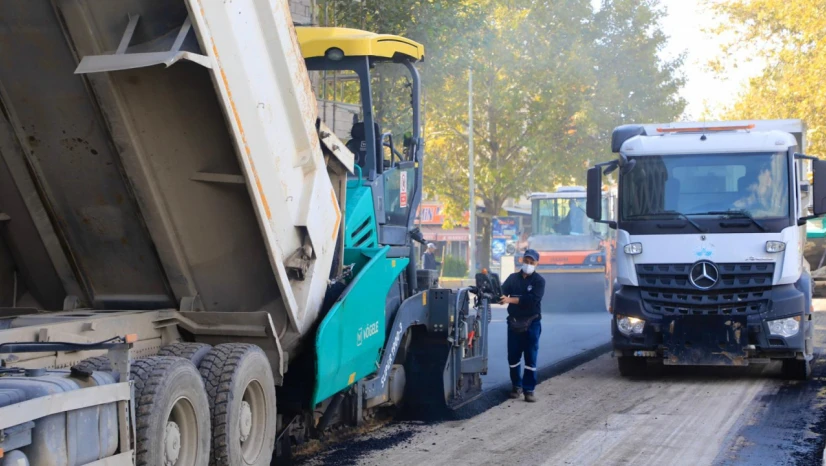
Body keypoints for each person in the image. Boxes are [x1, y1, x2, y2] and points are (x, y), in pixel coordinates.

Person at [499, 248, 545, 402]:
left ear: (537, 263)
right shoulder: (512, 279)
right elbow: (502, 293)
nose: (528, 264)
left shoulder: (539, 281)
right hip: (514, 322)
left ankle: (529, 390)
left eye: (532, 262)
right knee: (513, 356)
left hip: (532, 322)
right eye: (526, 261)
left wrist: (510, 300)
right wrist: (495, 295)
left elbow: (532, 301)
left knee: (530, 356)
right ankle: (516, 386)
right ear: (522, 260)